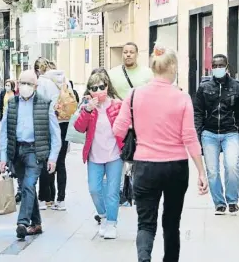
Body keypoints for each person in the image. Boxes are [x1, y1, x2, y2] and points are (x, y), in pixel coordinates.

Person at [113, 44, 208, 262]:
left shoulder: (134, 95)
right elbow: (189, 136)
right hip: (176, 167)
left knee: (145, 223)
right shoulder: (182, 98)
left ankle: (144, 258)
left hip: (145, 166)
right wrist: (201, 171)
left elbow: (117, 130)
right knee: (172, 222)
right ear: (172, 66)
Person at [0, 70, 61, 239]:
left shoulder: (45, 104)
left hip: (35, 151)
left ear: (36, 86)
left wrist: (53, 157)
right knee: (27, 186)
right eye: (22, 83)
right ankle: (37, 223)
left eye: (29, 83)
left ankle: (22, 222)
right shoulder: (11, 104)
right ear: (17, 84)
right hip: (17, 151)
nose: (25, 87)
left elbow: (55, 134)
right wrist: (3, 157)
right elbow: (4, 131)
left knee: (27, 185)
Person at [74, 71, 124, 239]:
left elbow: (126, 126)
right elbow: (79, 128)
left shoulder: (117, 105)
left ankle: (111, 223)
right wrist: (88, 110)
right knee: (94, 189)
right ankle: (103, 216)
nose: (98, 91)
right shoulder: (88, 108)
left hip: (115, 155)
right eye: (94, 88)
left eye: (101, 87)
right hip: (94, 156)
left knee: (112, 191)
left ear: (107, 86)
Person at [108, 42, 153, 206]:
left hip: (142, 122)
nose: (128, 55)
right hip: (119, 121)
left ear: (136, 54)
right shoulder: (113, 74)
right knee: (121, 155)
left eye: (131, 52)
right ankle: (122, 190)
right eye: (125, 52)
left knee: (140, 156)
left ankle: (137, 188)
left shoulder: (147, 73)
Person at [194, 54, 239, 215]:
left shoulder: (236, 86)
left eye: (221, 65)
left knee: (232, 166)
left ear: (227, 68)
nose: (218, 68)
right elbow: (198, 113)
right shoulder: (204, 87)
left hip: (230, 132)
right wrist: (197, 136)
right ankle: (219, 203)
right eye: (215, 65)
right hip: (209, 133)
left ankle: (233, 201)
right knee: (212, 171)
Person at [36, 57, 73, 211]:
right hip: (64, 123)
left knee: (47, 160)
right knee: (61, 162)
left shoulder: (43, 81)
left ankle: (46, 198)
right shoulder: (65, 80)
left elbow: (39, 103)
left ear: (40, 69)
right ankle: (62, 200)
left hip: (49, 124)